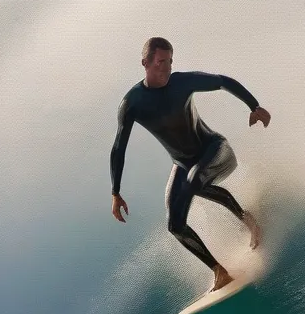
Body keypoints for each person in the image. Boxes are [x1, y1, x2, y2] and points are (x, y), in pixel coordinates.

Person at [110, 36, 271, 292]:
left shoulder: (182, 83)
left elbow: (222, 81)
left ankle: (247, 219)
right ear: (145, 63)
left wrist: (254, 106)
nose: (167, 67)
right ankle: (219, 272)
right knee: (175, 224)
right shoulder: (132, 104)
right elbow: (119, 148)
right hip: (184, 166)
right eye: (162, 62)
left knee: (194, 181)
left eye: (170, 61)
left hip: (216, 151)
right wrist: (116, 192)